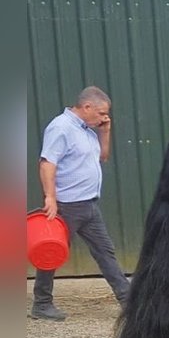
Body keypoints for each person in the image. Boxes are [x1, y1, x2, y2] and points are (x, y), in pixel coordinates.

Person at [31, 86, 131, 320]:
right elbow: (47, 163)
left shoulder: (87, 129)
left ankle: (128, 300)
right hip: (67, 206)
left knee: (105, 252)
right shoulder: (61, 128)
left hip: (88, 205)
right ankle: (42, 304)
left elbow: (102, 157)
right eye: (101, 113)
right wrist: (50, 198)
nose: (104, 117)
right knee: (50, 254)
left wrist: (105, 132)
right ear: (86, 107)